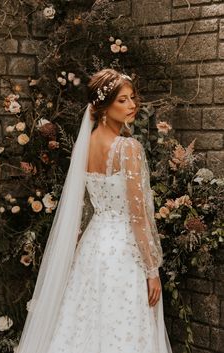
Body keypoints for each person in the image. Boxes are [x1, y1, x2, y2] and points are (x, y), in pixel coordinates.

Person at [17, 69, 172, 353]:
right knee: (122, 328)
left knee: (84, 326)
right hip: (124, 254)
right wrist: (152, 269)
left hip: (92, 248)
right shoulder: (129, 148)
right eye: (122, 100)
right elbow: (138, 216)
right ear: (103, 107)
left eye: (132, 98)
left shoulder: (83, 147)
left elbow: (86, 208)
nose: (132, 105)